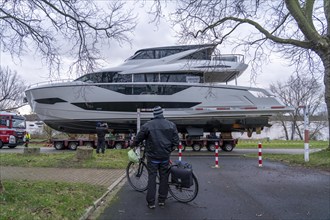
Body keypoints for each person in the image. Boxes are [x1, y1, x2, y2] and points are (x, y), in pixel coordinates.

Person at [133, 106, 179, 209]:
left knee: (152, 178)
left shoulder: (148, 125)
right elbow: (176, 142)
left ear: (154, 114)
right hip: (165, 157)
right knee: (164, 178)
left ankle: (151, 203)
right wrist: (168, 151)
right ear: (162, 114)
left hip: (152, 157)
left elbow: (138, 138)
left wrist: (133, 144)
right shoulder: (171, 125)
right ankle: (162, 200)